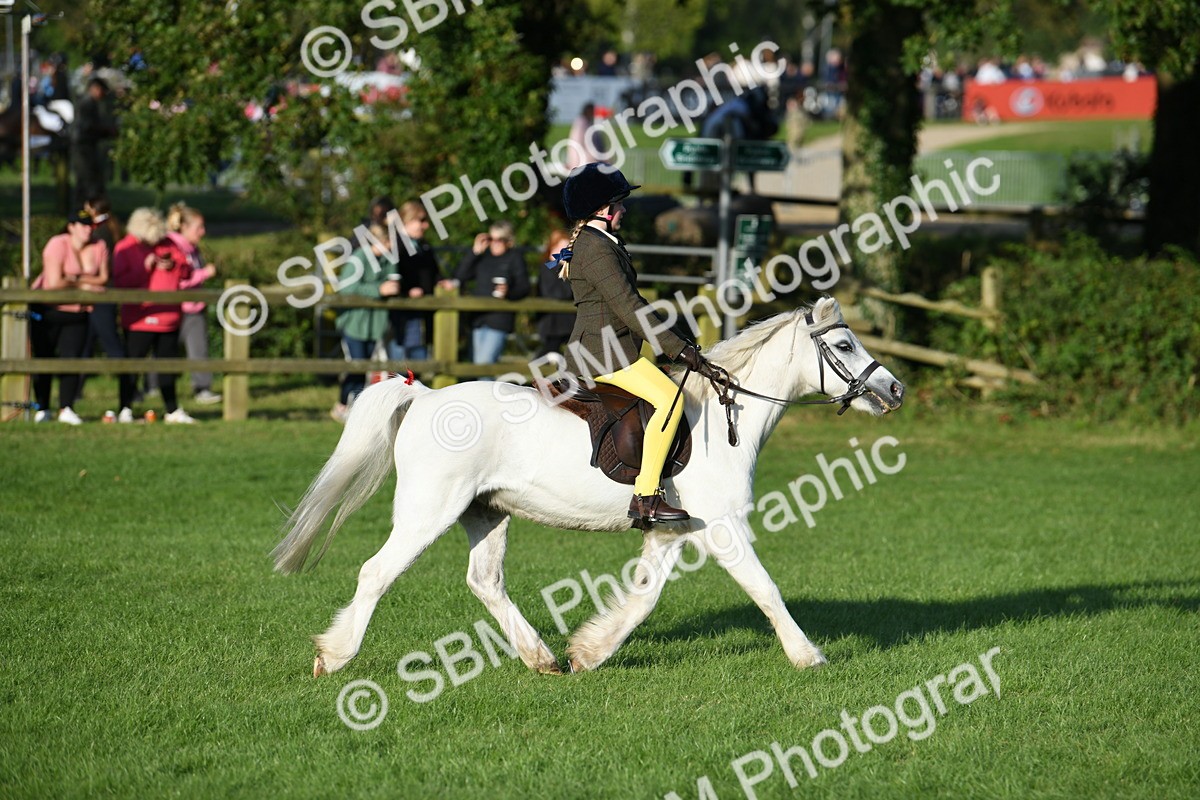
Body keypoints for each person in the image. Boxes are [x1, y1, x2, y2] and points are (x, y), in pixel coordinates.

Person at [554, 163, 705, 526]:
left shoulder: (598, 242)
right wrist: (676, 348)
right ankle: (647, 496)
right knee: (670, 399)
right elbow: (629, 306)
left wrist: (677, 340)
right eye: (620, 204)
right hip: (603, 356)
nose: (625, 210)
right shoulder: (595, 249)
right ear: (603, 210)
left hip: (614, 349)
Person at [112, 210, 195, 424]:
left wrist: (174, 265)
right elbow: (120, 282)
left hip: (169, 317)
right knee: (133, 366)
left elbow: (187, 270)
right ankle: (125, 408)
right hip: (140, 318)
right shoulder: (125, 247)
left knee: (168, 366)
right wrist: (145, 267)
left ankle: (172, 409)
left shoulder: (169, 243)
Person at [29, 210, 109, 424]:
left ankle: (66, 407)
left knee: (72, 360)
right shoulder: (57, 244)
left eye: (89, 225)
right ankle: (42, 407)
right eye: (82, 225)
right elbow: (53, 283)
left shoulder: (99, 246)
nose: (87, 229)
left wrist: (72, 278)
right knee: (44, 358)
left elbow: (103, 278)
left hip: (79, 311)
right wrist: (83, 283)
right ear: (71, 226)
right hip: (48, 310)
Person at [331, 225, 403, 423]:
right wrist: (378, 289)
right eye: (387, 241)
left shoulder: (389, 259)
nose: (391, 245)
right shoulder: (358, 259)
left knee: (366, 366)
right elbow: (347, 288)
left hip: (376, 323)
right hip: (355, 322)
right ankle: (345, 406)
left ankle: (352, 408)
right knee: (357, 364)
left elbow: (392, 281)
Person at [443, 221, 530, 367]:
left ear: (508, 241)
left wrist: (508, 292)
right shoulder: (483, 256)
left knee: (484, 365)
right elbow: (459, 276)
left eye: (499, 239)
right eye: (491, 239)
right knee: (474, 366)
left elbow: (524, 287)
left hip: (499, 320)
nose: (494, 243)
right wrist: (475, 251)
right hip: (477, 318)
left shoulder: (515, 257)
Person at [166, 202, 222, 404]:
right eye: (198, 227)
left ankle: (201, 387)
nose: (203, 232)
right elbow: (178, 281)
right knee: (166, 350)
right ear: (184, 227)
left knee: (198, 348)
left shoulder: (192, 249)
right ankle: (154, 386)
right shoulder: (174, 249)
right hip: (178, 306)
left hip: (193, 306)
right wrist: (204, 274)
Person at [385, 201, 440, 362]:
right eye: (421, 220)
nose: (426, 225)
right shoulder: (395, 245)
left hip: (421, 309)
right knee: (402, 358)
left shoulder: (423, 245)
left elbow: (434, 272)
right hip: (402, 311)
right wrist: (406, 291)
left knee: (418, 356)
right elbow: (389, 277)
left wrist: (441, 281)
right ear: (407, 221)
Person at [71, 78, 118, 206]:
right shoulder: (87, 103)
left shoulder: (88, 102)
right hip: (83, 147)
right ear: (95, 89)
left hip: (85, 146)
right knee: (89, 180)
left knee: (85, 181)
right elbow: (88, 127)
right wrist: (106, 131)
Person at [535, 228, 575, 360]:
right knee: (548, 352)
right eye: (560, 247)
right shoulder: (549, 267)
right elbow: (558, 293)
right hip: (552, 322)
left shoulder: (564, 267)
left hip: (565, 322)